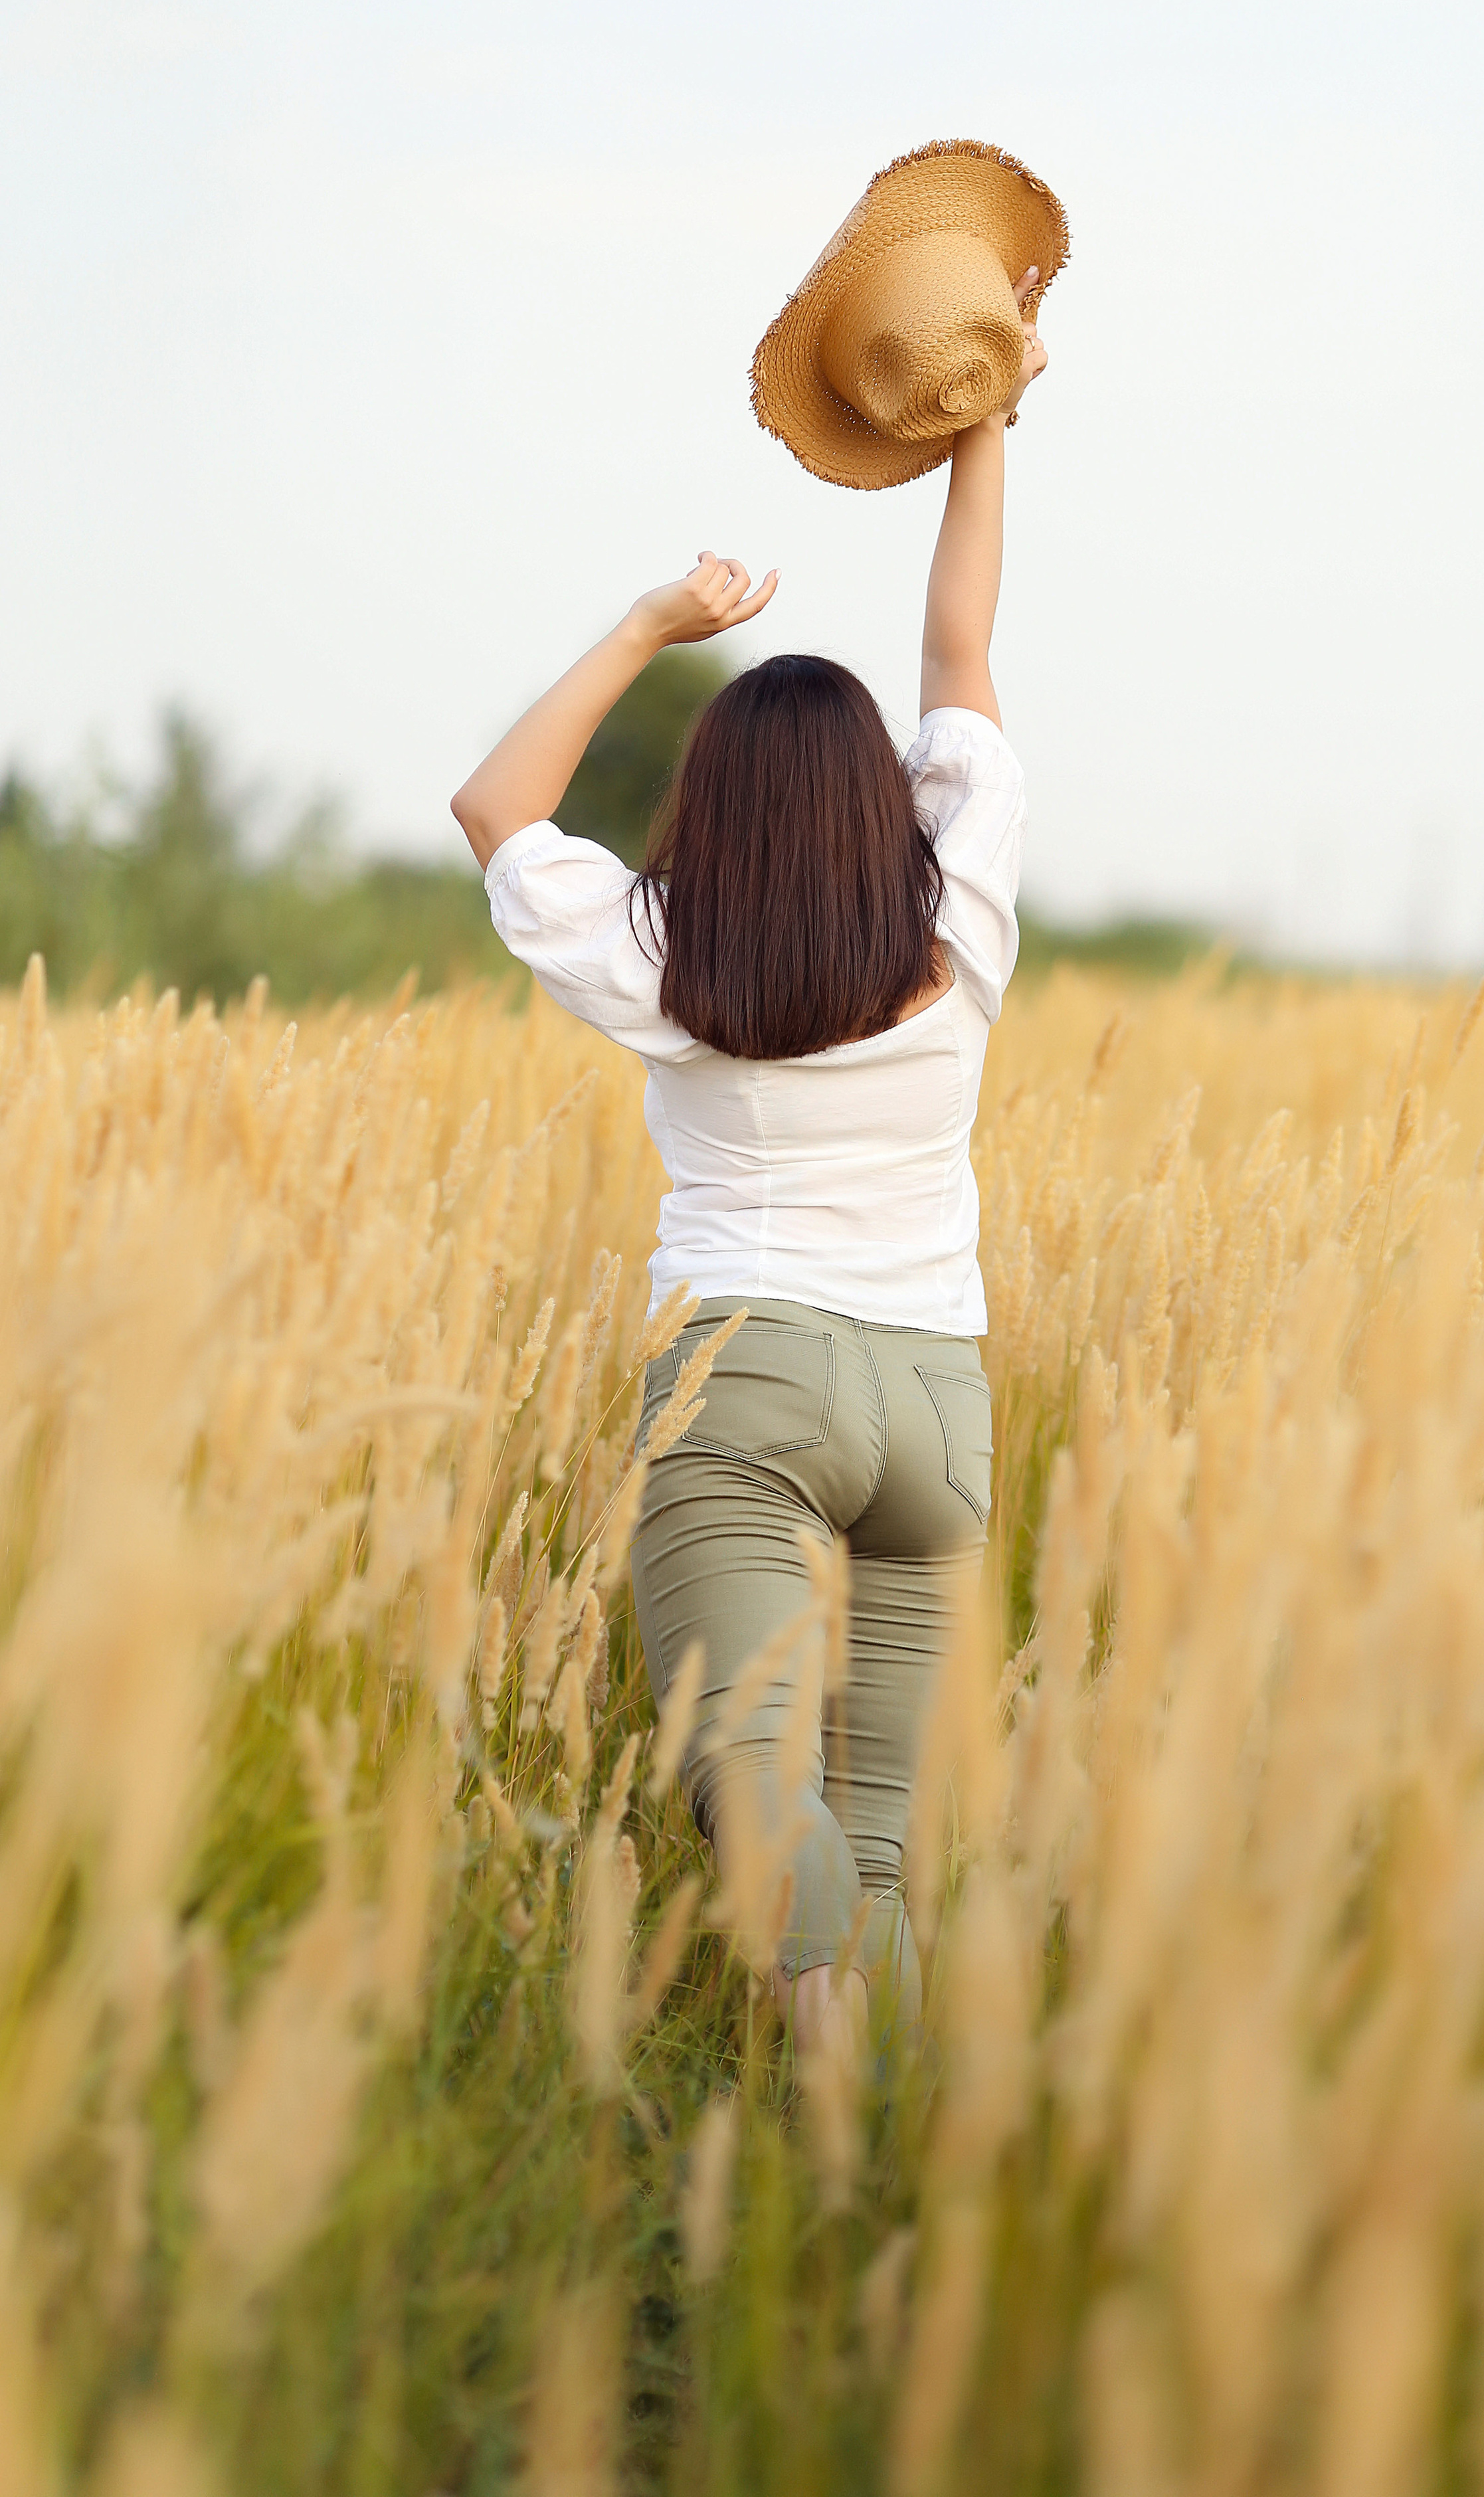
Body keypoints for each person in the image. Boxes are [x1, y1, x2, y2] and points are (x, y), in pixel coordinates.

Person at [450, 271, 1048, 2071]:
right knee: (874, 1840)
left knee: (748, 1788)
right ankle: (894, 2155)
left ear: (714, 808)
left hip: (747, 1385)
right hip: (940, 1403)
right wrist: (986, 423)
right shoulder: (962, 924)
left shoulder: (668, 952)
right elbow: (960, 656)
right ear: (887, 801)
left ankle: (870, 2128)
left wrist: (656, 619)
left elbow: (497, 808)